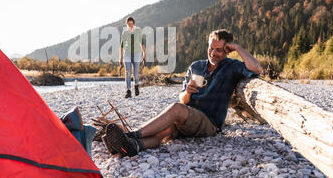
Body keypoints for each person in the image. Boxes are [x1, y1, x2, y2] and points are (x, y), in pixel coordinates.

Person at [103, 29, 263, 157]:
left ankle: (131, 135)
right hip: (187, 117)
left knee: (176, 108)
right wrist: (187, 92)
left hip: (209, 123)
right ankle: (131, 147)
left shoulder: (232, 66)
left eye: (219, 50)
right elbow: (183, 99)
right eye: (211, 48)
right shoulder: (196, 66)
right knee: (163, 132)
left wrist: (237, 48)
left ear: (227, 50)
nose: (213, 53)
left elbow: (257, 69)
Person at [120, 16, 146, 98]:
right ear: (127, 24)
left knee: (135, 73)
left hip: (137, 53)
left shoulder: (138, 30)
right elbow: (122, 46)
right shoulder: (124, 33)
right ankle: (128, 91)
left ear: (134, 23)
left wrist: (144, 54)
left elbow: (142, 42)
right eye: (129, 24)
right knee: (127, 73)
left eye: (131, 23)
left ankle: (136, 86)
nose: (130, 25)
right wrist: (120, 58)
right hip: (127, 54)